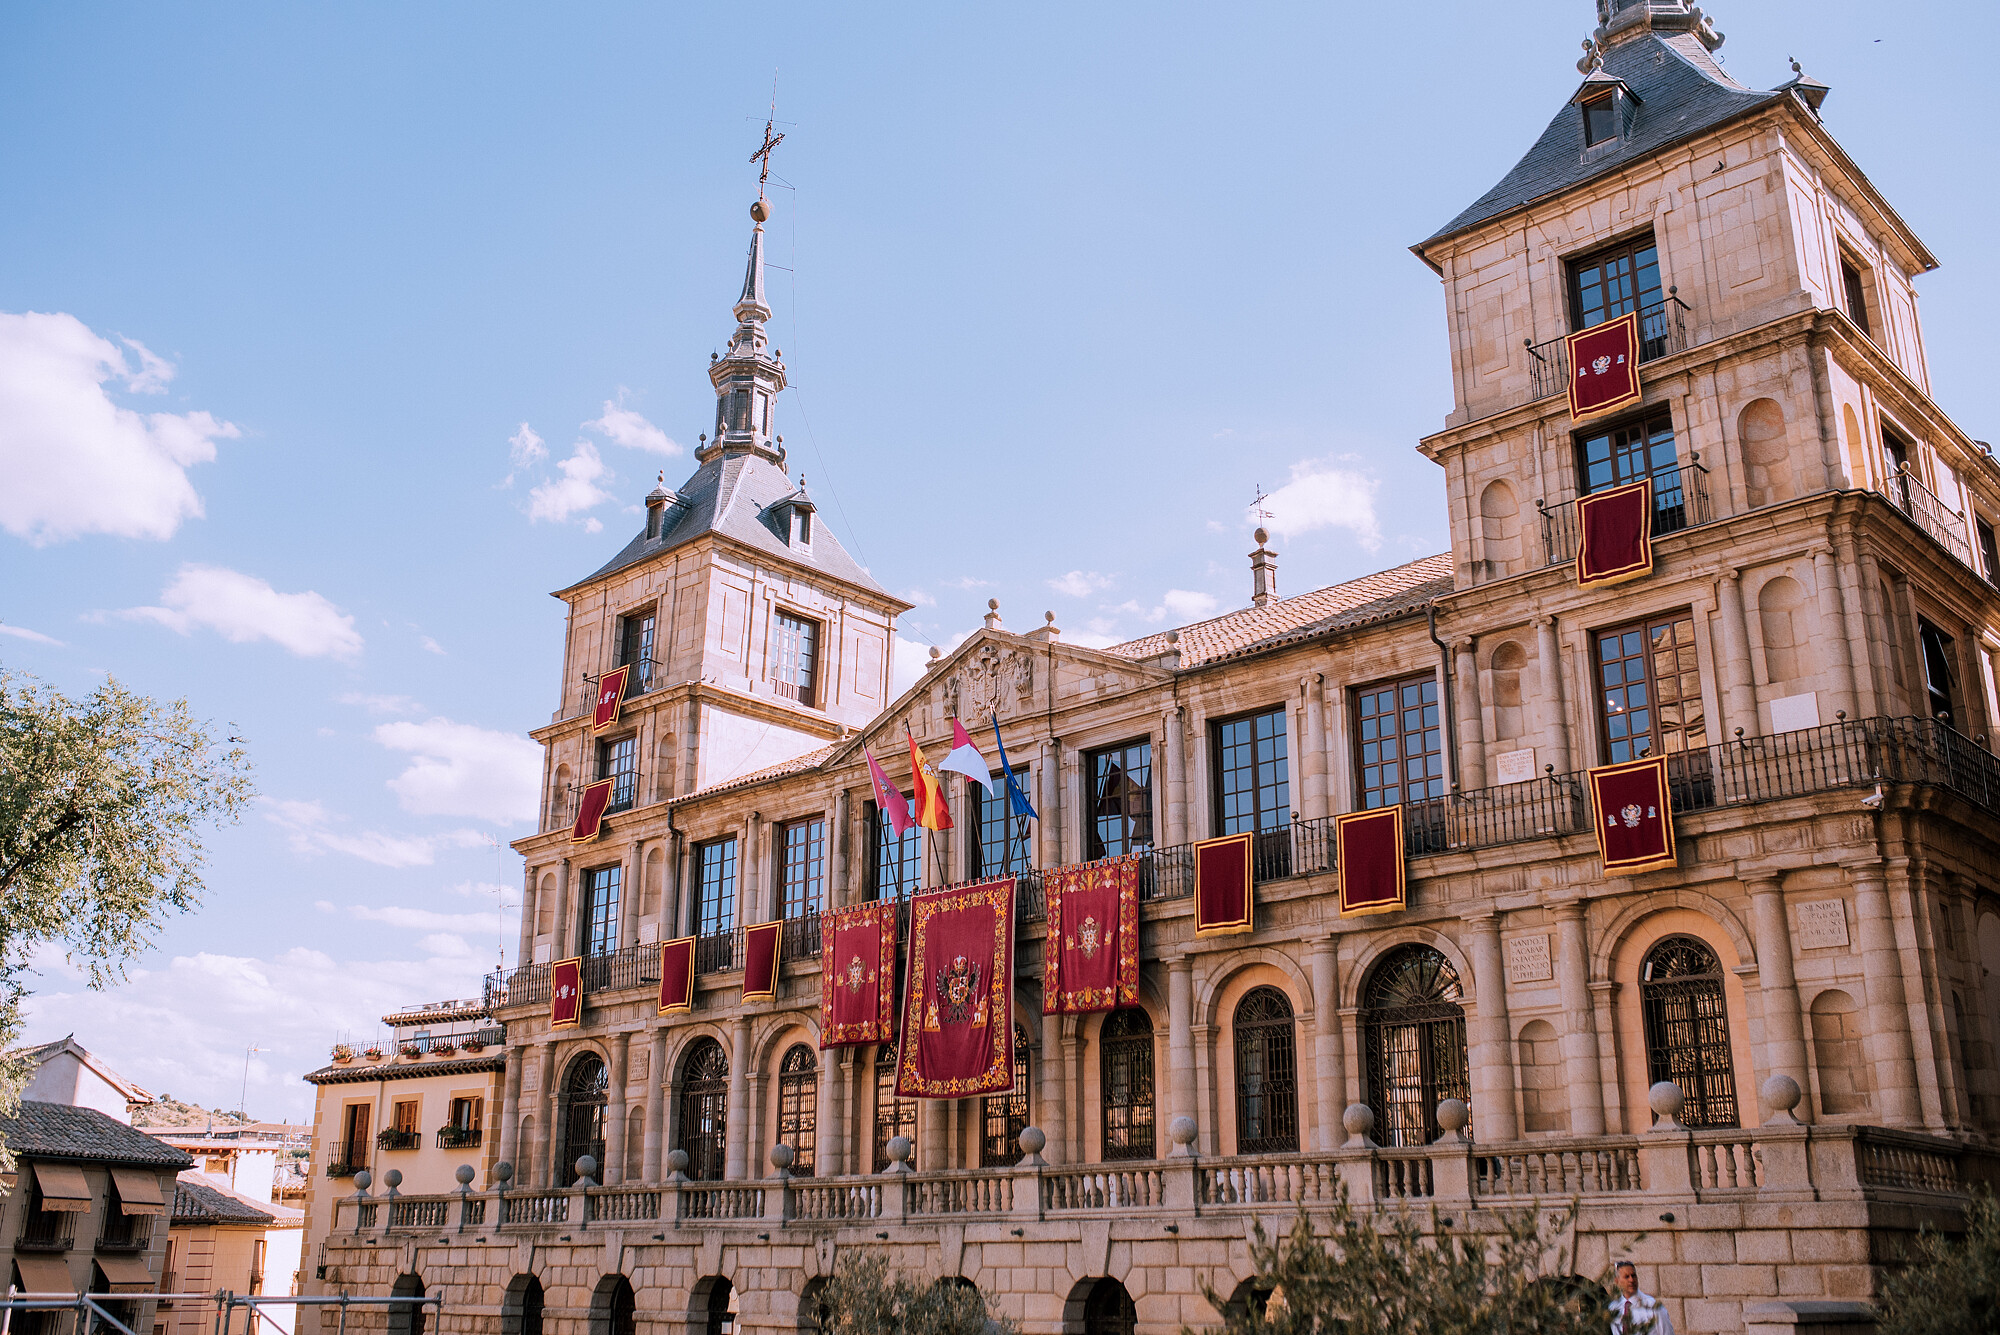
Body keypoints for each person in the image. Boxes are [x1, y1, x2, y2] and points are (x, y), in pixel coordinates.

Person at [1607, 1262, 1673, 1335]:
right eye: (1626, 1277)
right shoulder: (1613, 1308)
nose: (1631, 1280)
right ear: (1617, 1281)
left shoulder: (1653, 1306)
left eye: (1633, 1276)